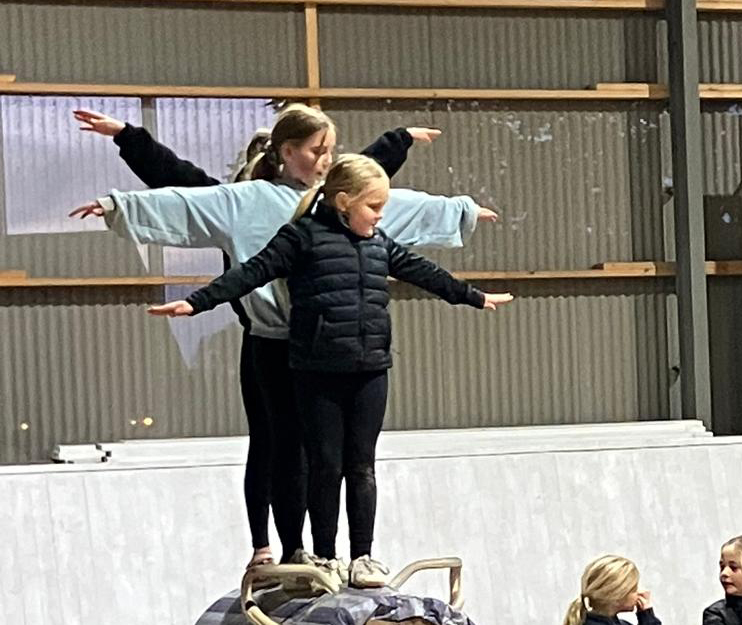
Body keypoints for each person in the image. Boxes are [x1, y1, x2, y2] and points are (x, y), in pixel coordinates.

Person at [71, 104, 497, 568]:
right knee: (277, 445)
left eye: (329, 151)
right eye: (316, 150)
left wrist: (456, 206)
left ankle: (334, 552)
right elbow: (184, 193)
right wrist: (123, 194)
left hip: (322, 346)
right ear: (286, 151)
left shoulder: (329, 206)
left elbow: (370, 188)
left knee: (331, 457)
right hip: (273, 341)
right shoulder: (249, 201)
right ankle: (279, 546)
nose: (325, 159)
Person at [147, 154, 513, 588]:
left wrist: (472, 297)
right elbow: (251, 272)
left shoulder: (379, 242)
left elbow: (422, 271)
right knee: (325, 465)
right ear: (343, 202)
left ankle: (363, 556)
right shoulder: (302, 238)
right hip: (317, 371)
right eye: (373, 207)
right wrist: (197, 302)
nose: (379, 216)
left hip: (370, 368)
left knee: (362, 467)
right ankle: (324, 555)